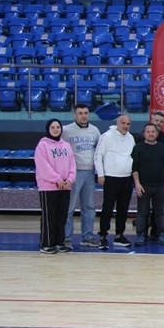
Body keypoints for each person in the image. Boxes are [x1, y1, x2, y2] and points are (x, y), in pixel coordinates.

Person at [62, 104, 100, 248]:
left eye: (85, 113)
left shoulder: (95, 130)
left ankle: (87, 237)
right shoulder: (66, 130)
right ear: (75, 115)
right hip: (73, 173)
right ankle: (66, 238)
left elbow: (99, 149)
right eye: (80, 113)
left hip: (89, 172)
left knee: (89, 207)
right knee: (69, 208)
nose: (83, 116)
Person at [94, 114, 135, 250]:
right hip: (111, 178)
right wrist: (100, 174)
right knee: (108, 208)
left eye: (128, 124)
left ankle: (119, 235)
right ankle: (103, 236)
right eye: (123, 123)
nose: (125, 126)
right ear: (117, 123)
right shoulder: (107, 136)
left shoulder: (131, 138)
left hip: (126, 178)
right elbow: (98, 155)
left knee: (123, 209)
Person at [35, 119, 76, 254]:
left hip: (65, 187)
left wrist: (70, 179)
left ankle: (59, 242)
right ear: (48, 129)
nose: (56, 129)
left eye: (58, 127)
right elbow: (43, 166)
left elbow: (72, 164)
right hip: (48, 187)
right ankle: (46, 244)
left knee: (62, 216)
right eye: (53, 127)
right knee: (49, 217)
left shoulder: (66, 146)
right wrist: (57, 179)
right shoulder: (42, 145)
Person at [131, 124, 164, 246]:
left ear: (157, 133)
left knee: (160, 212)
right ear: (144, 134)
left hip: (160, 186)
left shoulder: (162, 148)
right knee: (142, 212)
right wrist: (137, 184)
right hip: (144, 186)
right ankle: (140, 234)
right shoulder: (138, 148)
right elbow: (135, 168)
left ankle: (162, 234)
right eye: (148, 131)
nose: (150, 134)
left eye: (153, 131)